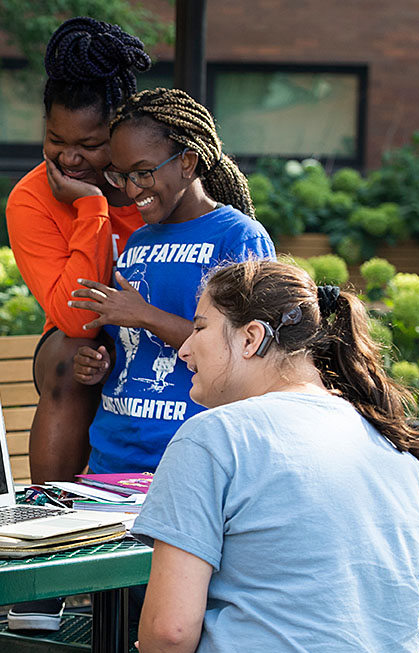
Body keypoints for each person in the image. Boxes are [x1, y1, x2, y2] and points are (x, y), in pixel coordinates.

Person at [126, 259, 419, 653]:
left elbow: (169, 632)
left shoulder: (213, 437)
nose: (184, 347)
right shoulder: (392, 446)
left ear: (252, 337)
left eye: (199, 328)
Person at [3, 16, 150, 632]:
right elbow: (71, 311)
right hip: (81, 342)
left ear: (118, 132)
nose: (68, 155)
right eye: (55, 139)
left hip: (166, 333)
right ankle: (48, 557)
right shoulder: (34, 198)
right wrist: (90, 208)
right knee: (69, 353)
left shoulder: (153, 181)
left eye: (88, 145)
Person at [69, 87, 275, 475]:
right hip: (111, 458)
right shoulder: (138, 241)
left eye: (143, 172)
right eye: (122, 176)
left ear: (188, 162)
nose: (132, 190)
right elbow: (133, 347)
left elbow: (251, 354)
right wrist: (103, 363)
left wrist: (145, 315)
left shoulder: (237, 237)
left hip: (186, 459)